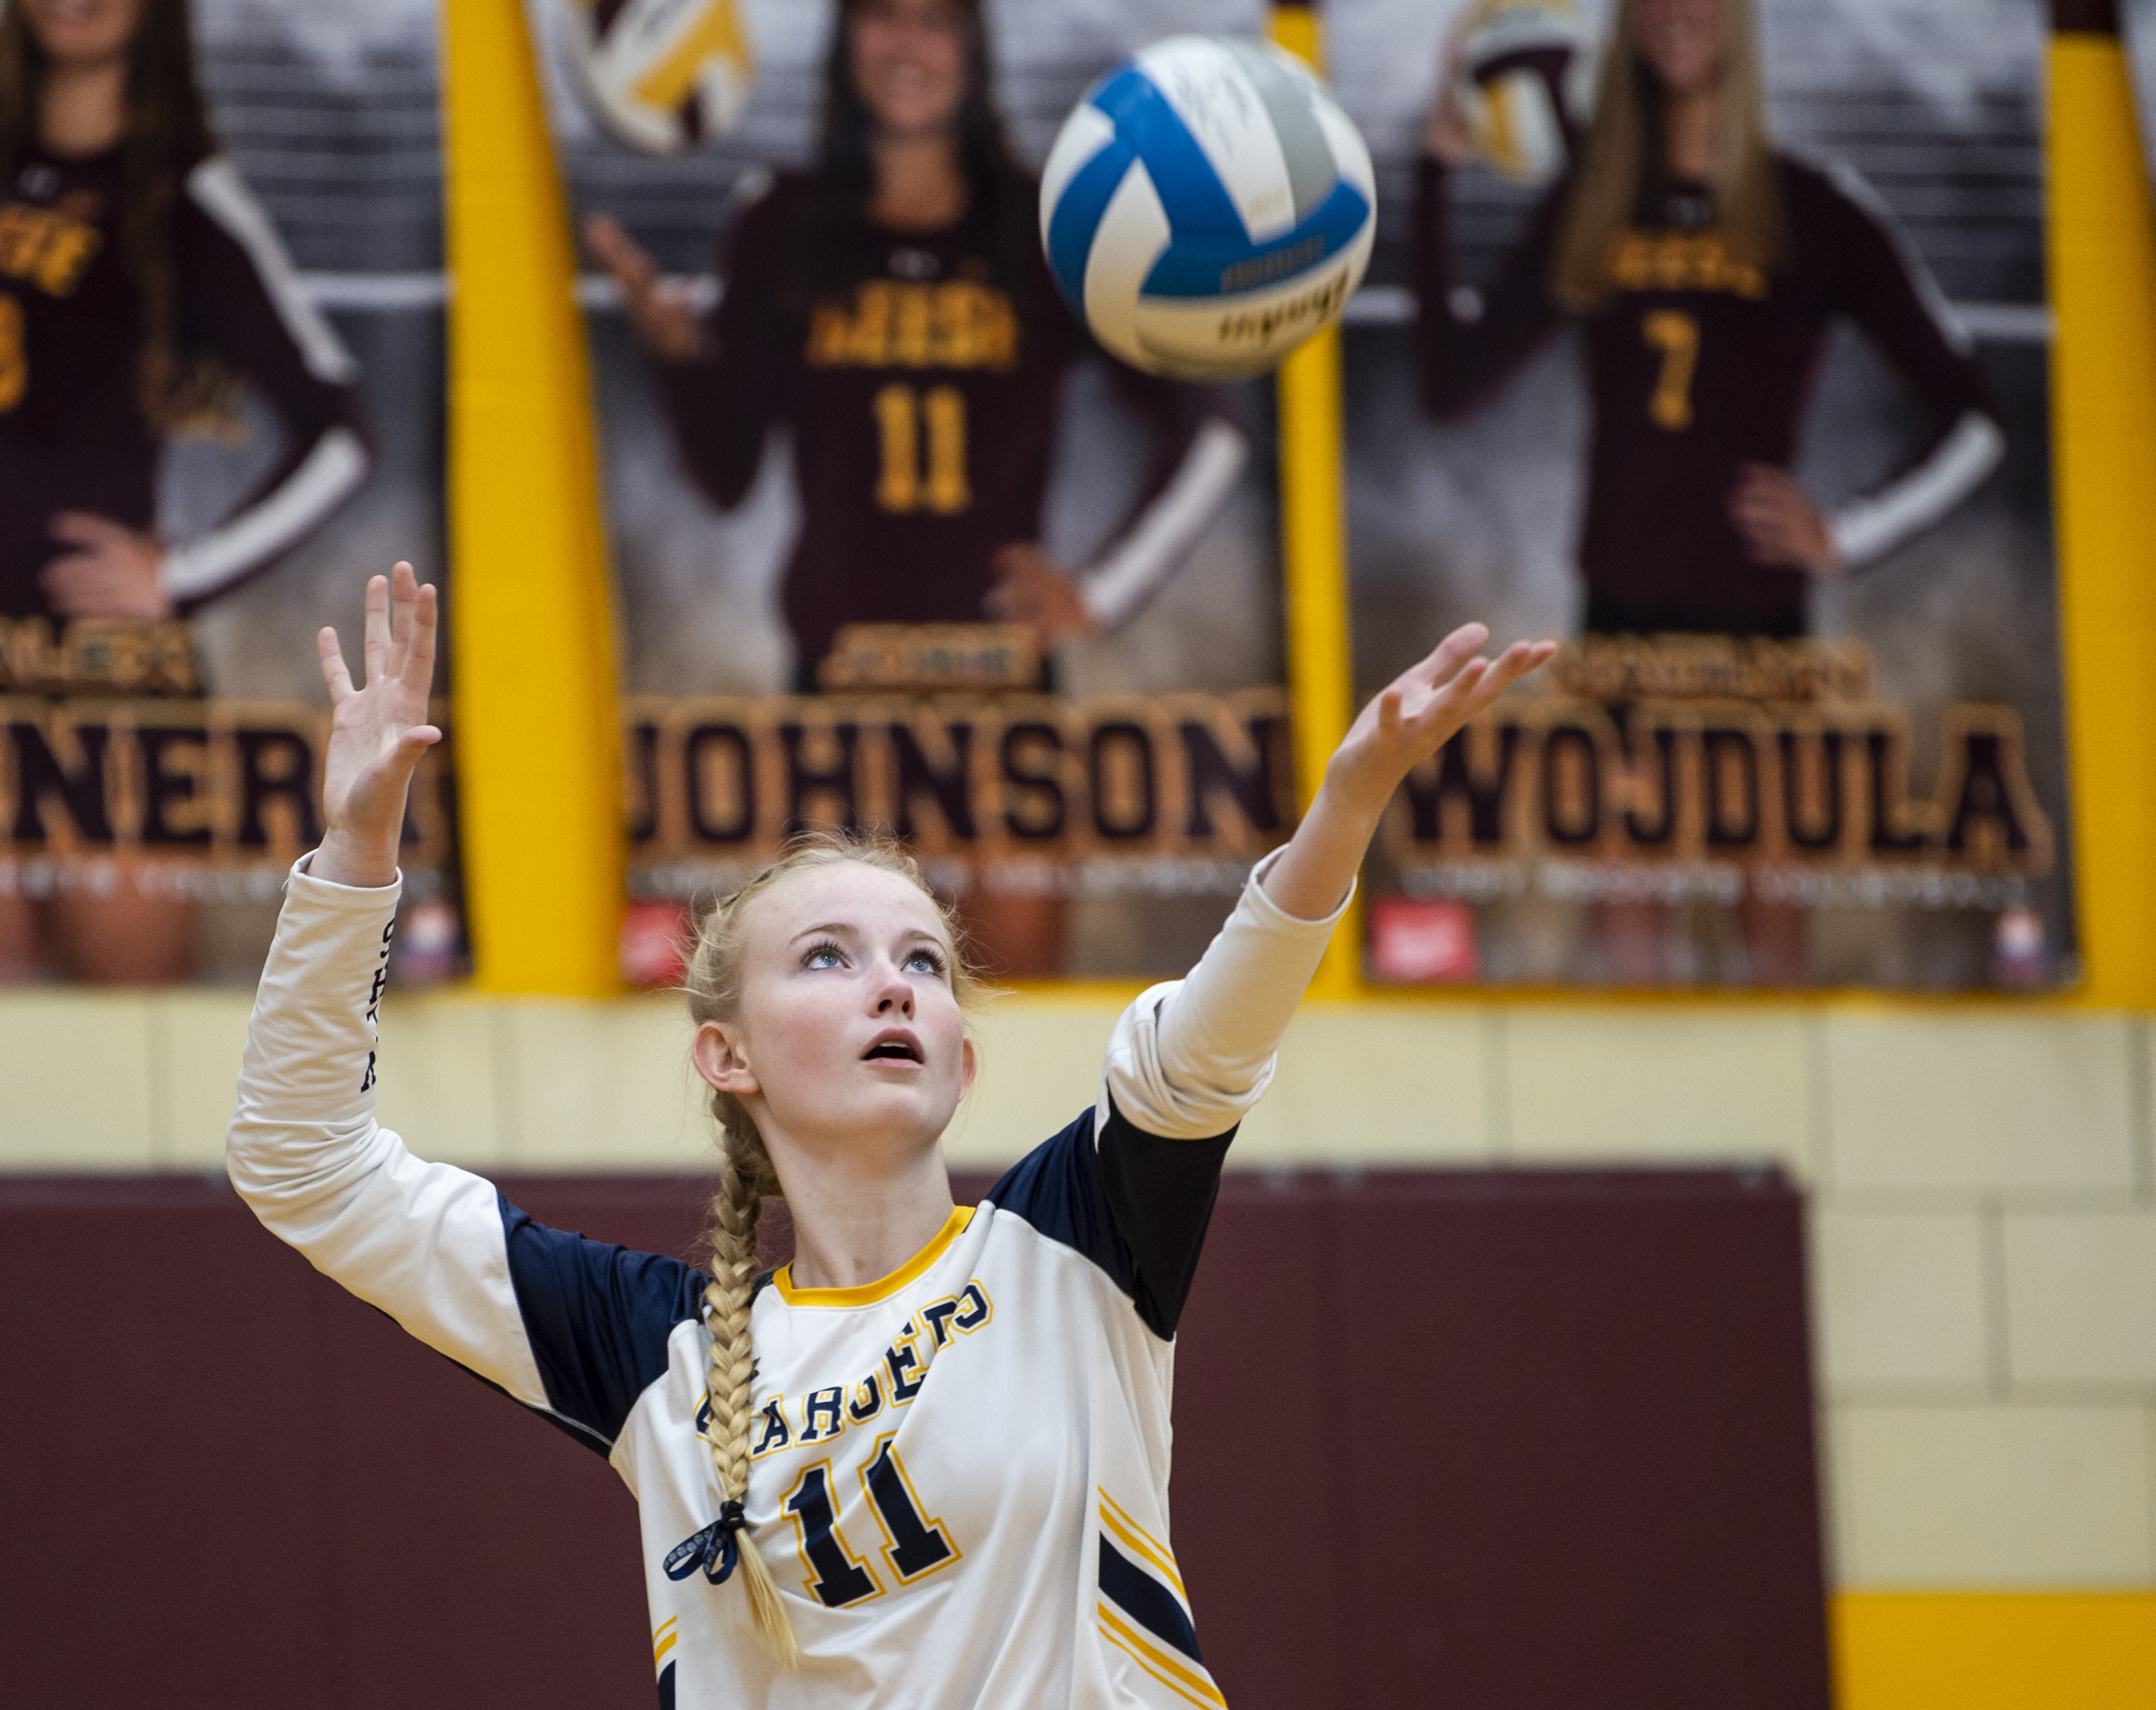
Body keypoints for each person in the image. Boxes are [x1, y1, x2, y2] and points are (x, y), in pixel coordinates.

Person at [228, 560, 1551, 1701]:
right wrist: (356, 852)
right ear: (723, 1056)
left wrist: (1352, 800)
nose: (892, 985)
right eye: (826, 957)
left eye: (922, 960)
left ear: (962, 1058)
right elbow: (304, 1163)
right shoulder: (661, 1361)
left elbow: (1209, 1046)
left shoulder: (1067, 1250)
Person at [585, 0, 1249, 976]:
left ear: (974, 49)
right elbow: (727, 476)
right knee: (842, 1016)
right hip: (838, 685)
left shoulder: (1042, 225)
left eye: (935, 21)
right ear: (845, 42)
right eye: (882, 18)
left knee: (1020, 1017)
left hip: (999, 685)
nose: (907, 44)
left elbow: (1212, 433)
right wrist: (680, 359)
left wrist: (1098, 592)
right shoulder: (781, 219)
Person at [1414, 0, 2003, 984]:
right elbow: (1450, 383)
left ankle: (1781, 1135)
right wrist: (1434, 172)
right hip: (1622, 621)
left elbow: (1974, 414)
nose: (1675, 12)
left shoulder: (1809, 205)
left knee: (1775, 931)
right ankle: (1642, 1141)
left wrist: (1846, 533)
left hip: (1757, 632)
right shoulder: (1592, 203)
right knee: (1628, 942)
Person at [0, 0, 372, 983]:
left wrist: (184, 578)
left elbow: (340, 430)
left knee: (128, 1056)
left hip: (108, 677)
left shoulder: (183, 196)